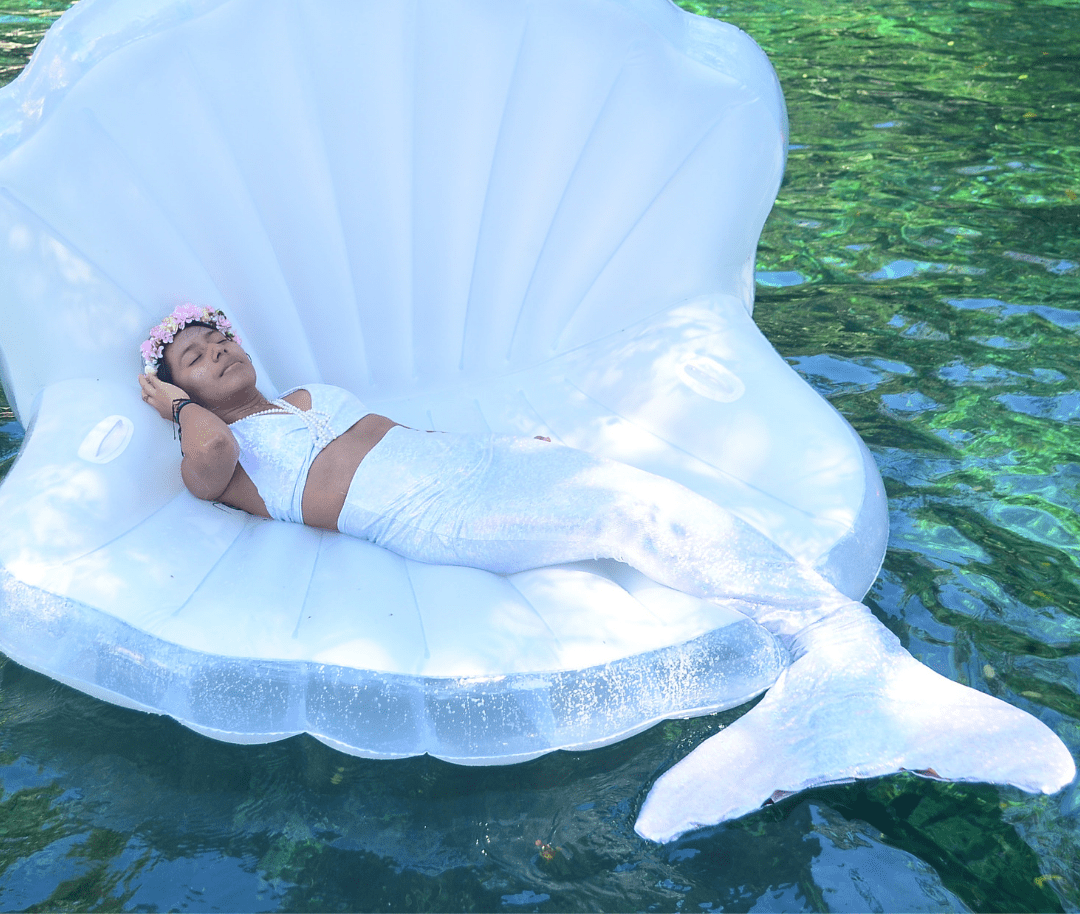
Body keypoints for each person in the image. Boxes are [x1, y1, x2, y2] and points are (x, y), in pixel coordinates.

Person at [138, 304, 1075, 841]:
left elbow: (400, 436)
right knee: (631, 512)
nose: (217, 347)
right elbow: (212, 460)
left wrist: (512, 446)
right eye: (194, 352)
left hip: (474, 465)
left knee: (642, 494)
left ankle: (842, 656)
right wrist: (173, 403)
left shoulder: (307, 394)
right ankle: (837, 653)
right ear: (178, 387)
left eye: (219, 334)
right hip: (438, 516)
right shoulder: (215, 453)